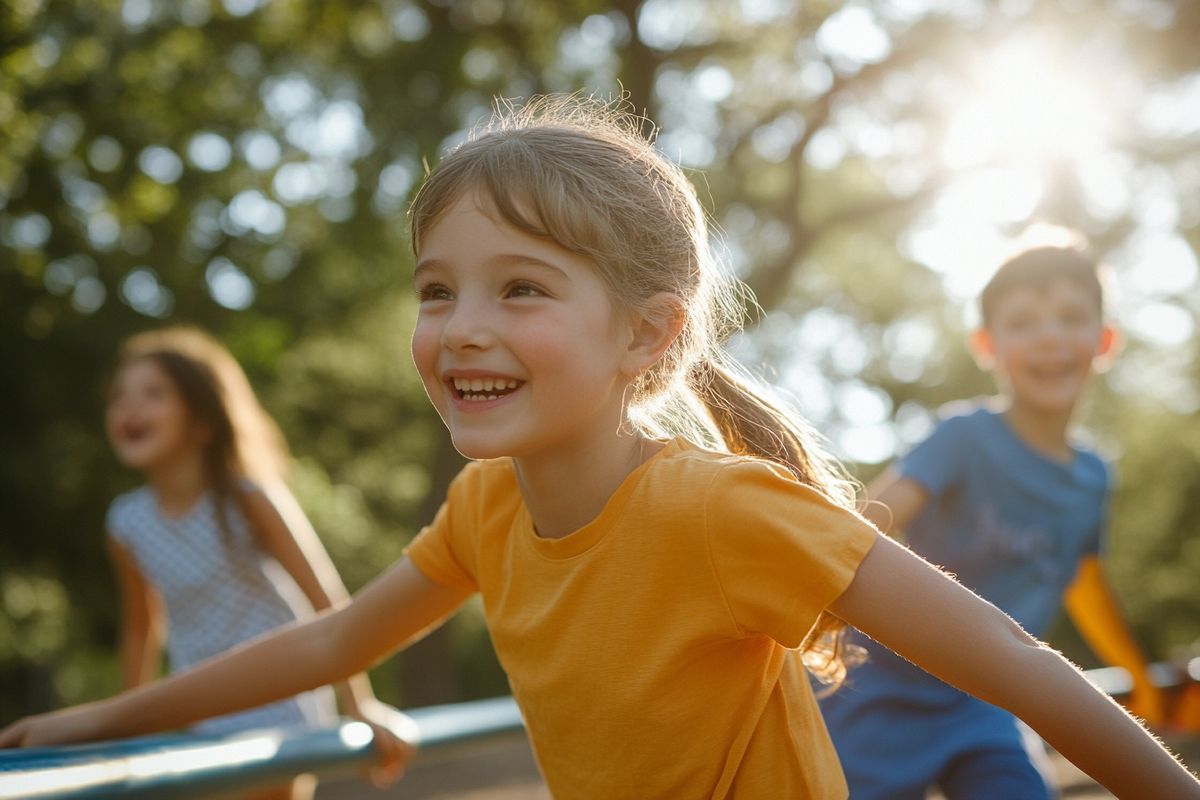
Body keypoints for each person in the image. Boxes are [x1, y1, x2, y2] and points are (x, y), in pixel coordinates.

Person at [1, 97, 1197, 800]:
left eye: (521, 287)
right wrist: (101, 721)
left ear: (649, 335)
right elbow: (330, 638)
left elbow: (1009, 657)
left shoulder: (719, 509)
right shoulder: (485, 509)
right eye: (436, 290)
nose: (462, 325)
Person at [818, 233, 1170, 799]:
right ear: (988, 344)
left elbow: (1081, 577)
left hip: (985, 700)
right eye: (1024, 322)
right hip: (878, 684)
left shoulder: (1093, 477)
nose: (1048, 336)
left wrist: (1135, 670)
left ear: (1105, 340)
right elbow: (869, 520)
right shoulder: (963, 438)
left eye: (1069, 317)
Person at [99, 327, 393, 800]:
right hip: (200, 709)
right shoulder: (127, 522)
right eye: (119, 397)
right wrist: (125, 729)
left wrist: (359, 703)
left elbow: (327, 599)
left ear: (203, 422)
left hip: (277, 706)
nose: (129, 408)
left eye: (153, 394)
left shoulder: (248, 498)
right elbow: (141, 627)